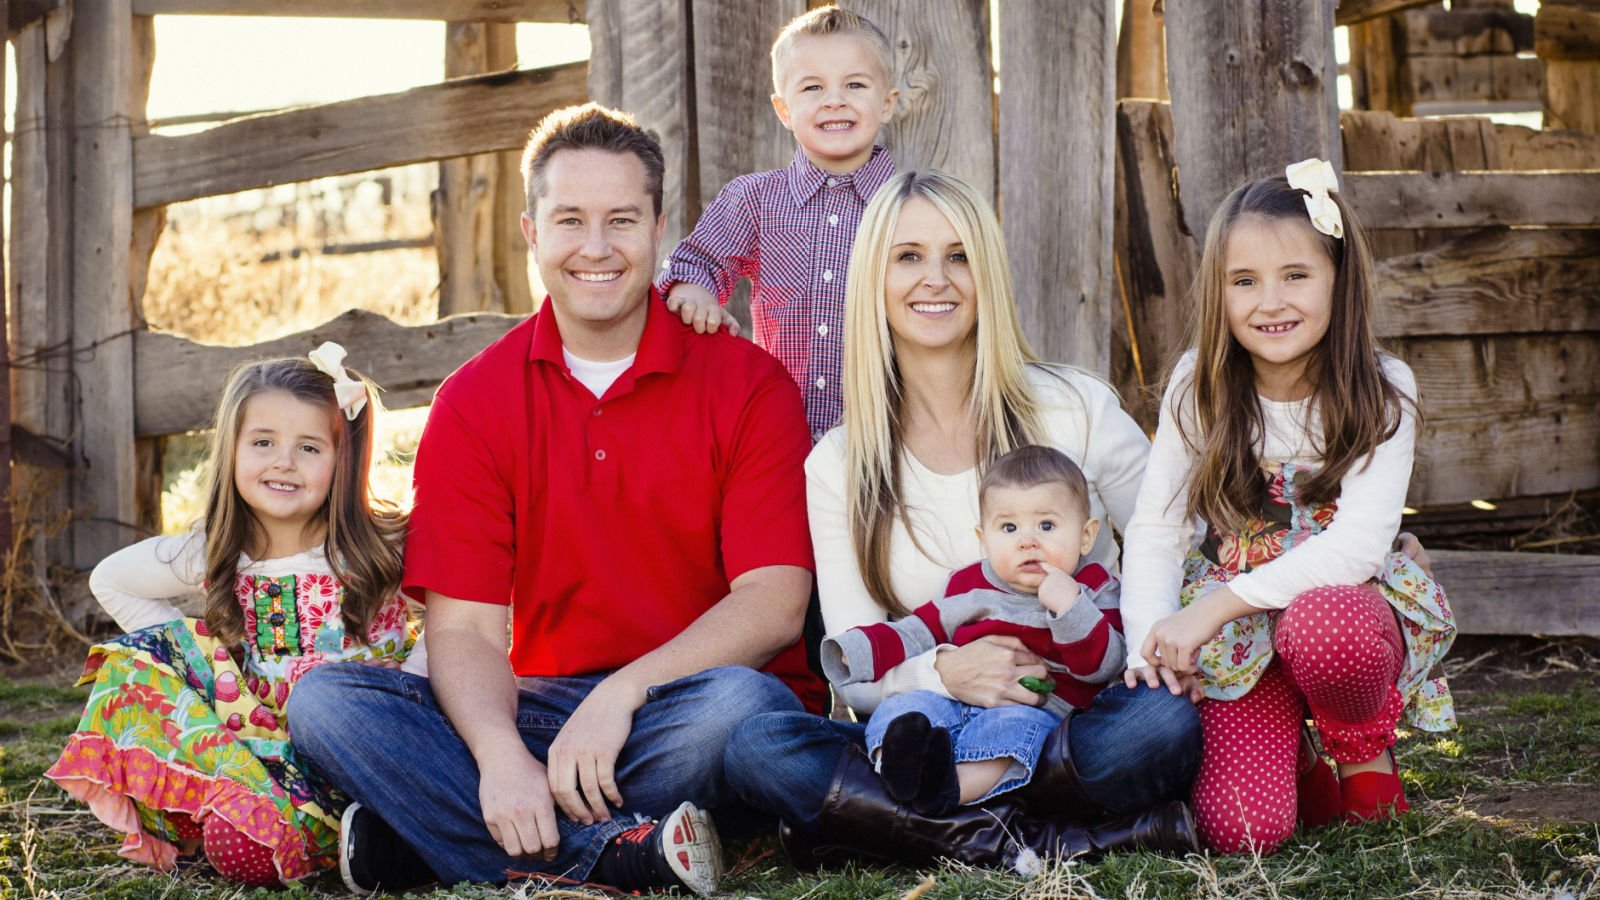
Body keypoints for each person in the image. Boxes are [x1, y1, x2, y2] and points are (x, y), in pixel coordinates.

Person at [288, 103, 820, 897]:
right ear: (532, 230)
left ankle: (440, 838)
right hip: (538, 711)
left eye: (622, 220)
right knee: (327, 703)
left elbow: (775, 604)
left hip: (683, 705)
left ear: (659, 226)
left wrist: (621, 694)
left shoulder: (747, 384)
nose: (597, 248)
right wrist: (501, 754)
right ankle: (606, 854)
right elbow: (464, 627)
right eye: (570, 219)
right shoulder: (476, 401)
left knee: (740, 709)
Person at [722, 169, 1204, 873]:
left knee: (1159, 724)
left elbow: (1179, 554)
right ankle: (1046, 838)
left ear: (987, 273)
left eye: (959, 256)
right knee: (756, 743)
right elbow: (856, 673)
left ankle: (887, 824)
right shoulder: (840, 461)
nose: (936, 280)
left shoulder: (1077, 408)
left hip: (1077, 721)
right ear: (873, 279)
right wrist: (949, 671)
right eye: (909, 256)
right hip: (931, 725)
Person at [1119, 159, 1456, 855]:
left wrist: (1212, 607)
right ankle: (1294, 764)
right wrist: (1155, 639)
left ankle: (1362, 756)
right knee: (1241, 830)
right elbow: (1156, 527)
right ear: (1219, 292)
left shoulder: (1382, 388)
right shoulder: (1198, 386)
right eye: (1244, 282)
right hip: (1242, 642)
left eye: (1295, 276)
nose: (1270, 302)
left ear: (1339, 276)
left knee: (1326, 622)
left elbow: (1357, 546)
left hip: (1341, 607)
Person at [46, 344, 418, 887]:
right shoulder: (219, 550)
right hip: (268, 754)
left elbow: (459, 612)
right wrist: (205, 667)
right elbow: (112, 579)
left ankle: (378, 835)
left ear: (346, 458)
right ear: (233, 450)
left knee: (257, 842)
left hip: (373, 748)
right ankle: (312, 831)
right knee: (133, 668)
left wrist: (416, 686)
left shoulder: (382, 546)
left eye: (310, 447)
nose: (283, 461)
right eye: (263, 442)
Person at [822, 445, 1126, 817]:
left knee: (1015, 731)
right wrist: (858, 649)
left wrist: (1069, 607)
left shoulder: (1094, 588)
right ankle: (899, 770)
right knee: (904, 708)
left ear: (1085, 535)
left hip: (1038, 711)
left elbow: (1104, 666)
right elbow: (921, 629)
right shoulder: (968, 584)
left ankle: (949, 792)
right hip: (954, 700)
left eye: (1046, 525)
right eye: (1009, 527)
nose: (1027, 540)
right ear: (984, 537)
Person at [657, 5, 898, 442]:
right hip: (783, 437)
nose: (834, 100)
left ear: (887, 103)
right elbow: (698, 263)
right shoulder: (756, 200)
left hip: (886, 438)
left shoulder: (908, 205)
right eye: (812, 87)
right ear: (784, 110)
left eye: (855, 85)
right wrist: (696, 292)